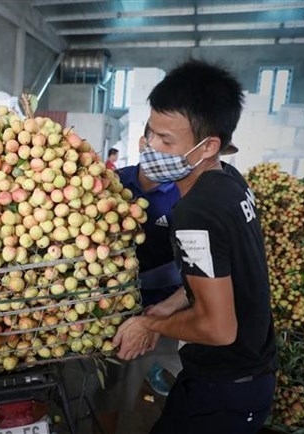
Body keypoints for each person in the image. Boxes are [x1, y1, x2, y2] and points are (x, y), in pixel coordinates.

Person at [113, 59, 276, 434]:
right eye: (150, 133)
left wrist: (151, 325)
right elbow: (219, 272)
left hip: (225, 388)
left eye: (166, 141)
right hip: (247, 377)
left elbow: (219, 328)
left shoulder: (194, 212)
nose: (151, 146)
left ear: (208, 146)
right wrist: (166, 308)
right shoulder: (230, 181)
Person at [93, 125, 183, 434]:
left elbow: (189, 267)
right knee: (114, 386)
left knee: (183, 379)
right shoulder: (115, 183)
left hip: (167, 307)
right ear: (143, 142)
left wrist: (158, 316)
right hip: (117, 307)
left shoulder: (182, 195)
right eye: (158, 142)